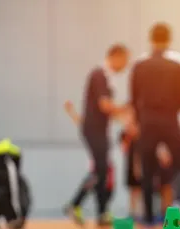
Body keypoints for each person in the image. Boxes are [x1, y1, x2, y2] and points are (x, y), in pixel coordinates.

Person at [129, 22, 180, 227]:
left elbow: (133, 96)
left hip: (147, 120)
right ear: (169, 40)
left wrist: (140, 118)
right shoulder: (177, 66)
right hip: (170, 119)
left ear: (151, 39)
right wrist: (172, 111)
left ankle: (147, 217)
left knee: (147, 168)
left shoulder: (139, 66)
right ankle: (177, 214)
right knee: (178, 165)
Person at [63, 44, 129, 226]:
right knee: (100, 169)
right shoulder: (100, 75)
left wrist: (125, 116)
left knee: (102, 170)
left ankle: (100, 213)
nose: (125, 65)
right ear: (116, 56)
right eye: (125, 60)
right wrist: (125, 109)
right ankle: (77, 205)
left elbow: (108, 109)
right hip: (94, 130)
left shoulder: (105, 77)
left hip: (99, 129)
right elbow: (105, 105)